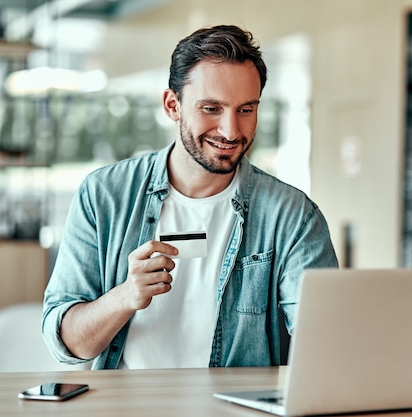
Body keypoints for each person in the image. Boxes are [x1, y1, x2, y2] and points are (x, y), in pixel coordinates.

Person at [42, 24, 339, 370]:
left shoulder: (292, 217)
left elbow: (324, 346)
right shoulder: (104, 195)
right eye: (211, 109)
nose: (230, 131)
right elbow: (65, 343)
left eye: (246, 110)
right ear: (172, 105)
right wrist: (125, 296)